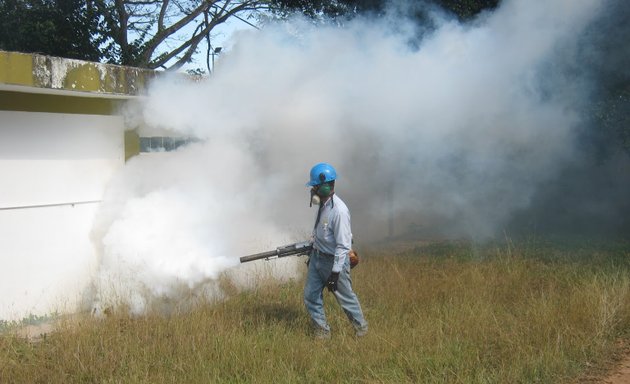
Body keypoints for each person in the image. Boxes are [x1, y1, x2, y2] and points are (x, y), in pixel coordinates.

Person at [303, 162, 368, 339]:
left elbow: (343, 246)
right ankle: (322, 332)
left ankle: (361, 331)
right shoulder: (323, 206)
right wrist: (313, 249)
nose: (312, 190)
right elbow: (320, 233)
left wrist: (335, 273)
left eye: (315, 187)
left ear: (325, 186)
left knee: (346, 299)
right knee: (310, 296)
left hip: (334, 261)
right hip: (317, 258)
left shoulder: (339, 211)